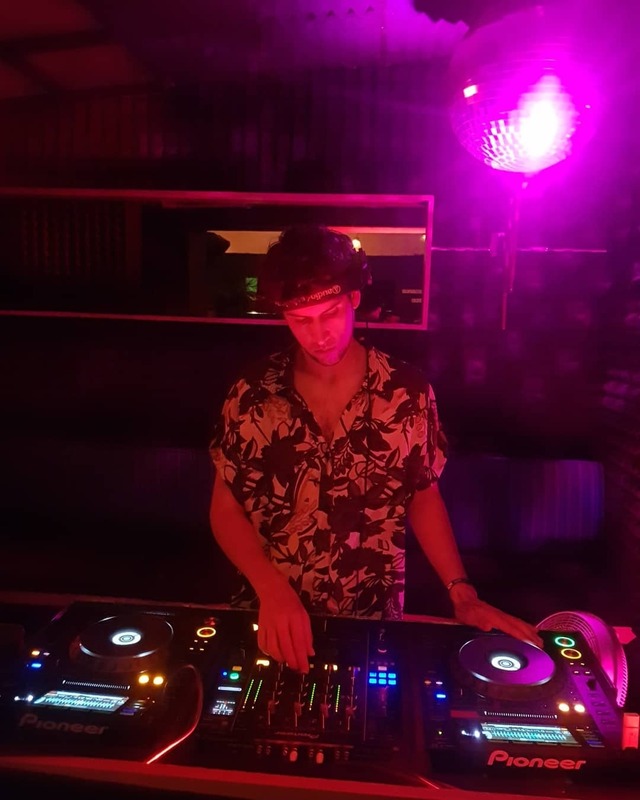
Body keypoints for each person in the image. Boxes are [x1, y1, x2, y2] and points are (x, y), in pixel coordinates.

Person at [209, 223, 542, 673]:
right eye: (301, 320)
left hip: (371, 624)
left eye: (330, 313)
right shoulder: (251, 394)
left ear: (354, 298)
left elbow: (422, 495)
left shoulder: (407, 392)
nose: (319, 334)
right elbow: (226, 508)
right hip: (269, 618)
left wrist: (461, 592)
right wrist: (271, 589)